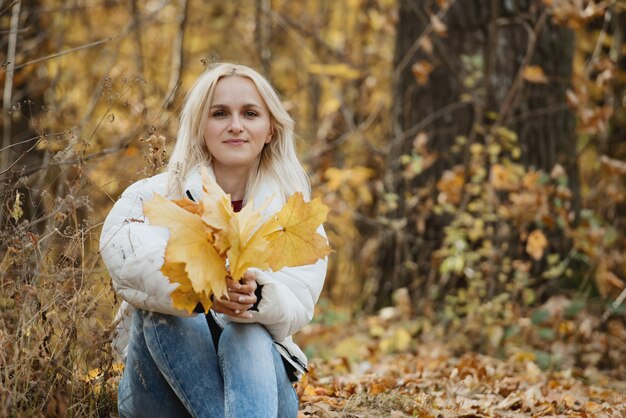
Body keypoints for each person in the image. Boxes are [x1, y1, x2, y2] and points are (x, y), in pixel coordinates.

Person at [99, 63, 328, 418]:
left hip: (262, 388)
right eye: (219, 113)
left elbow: (298, 304)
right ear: (201, 126)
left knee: (247, 331)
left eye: (250, 113)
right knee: (170, 308)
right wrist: (205, 288)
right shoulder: (156, 195)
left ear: (270, 129)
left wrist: (257, 297)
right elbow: (122, 252)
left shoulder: (290, 213)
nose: (235, 125)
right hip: (159, 391)